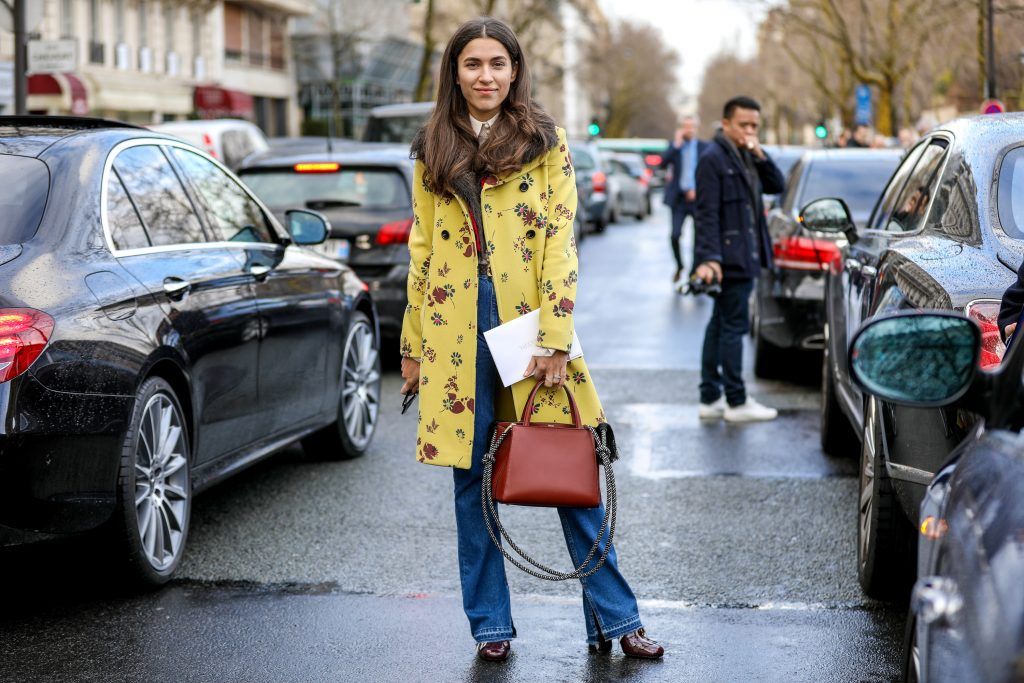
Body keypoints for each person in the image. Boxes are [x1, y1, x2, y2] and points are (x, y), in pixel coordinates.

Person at [398, 16, 664, 663]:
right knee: (470, 481)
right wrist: (411, 345)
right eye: (472, 64)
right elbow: (424, 249)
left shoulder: (545, 141)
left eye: (496, 63)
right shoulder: (431, 145)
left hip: (528, 322)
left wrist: (554, 335)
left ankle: (617, 616)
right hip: (452, 323)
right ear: (454, 73)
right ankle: (491, 625)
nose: (485, 75)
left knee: (566, 467)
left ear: (514, 70)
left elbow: (559, 243)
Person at [692, 95, 785, 423]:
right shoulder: (713, 158)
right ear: (726, 123)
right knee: (733, 326)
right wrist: (709, 258)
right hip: (730, 257)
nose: (749, 131)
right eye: (744, 124)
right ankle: (735, 400)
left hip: (745, 252)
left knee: (720, 323)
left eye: (755, 126)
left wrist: (760, 153)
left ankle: (710, 396)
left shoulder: (747, 156)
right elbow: (705, 213)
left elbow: (778, 185)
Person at [661, 116, 708, 286]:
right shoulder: (675, 147)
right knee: (675, 235)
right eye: (686, 127)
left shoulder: (704, 147)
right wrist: (676, 145)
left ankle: (694, 272)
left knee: (699, 238)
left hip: (698, 199)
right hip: (678, 199)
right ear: (681, 128)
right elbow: (662, 163)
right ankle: (680, 265)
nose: (689, 130)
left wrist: (698, 189)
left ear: (696, 128)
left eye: (692, 127)